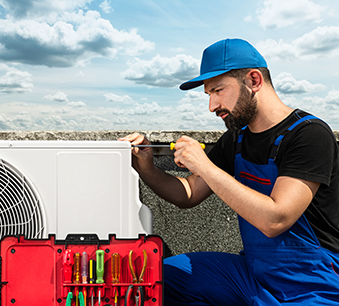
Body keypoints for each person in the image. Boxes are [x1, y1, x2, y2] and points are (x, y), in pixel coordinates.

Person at [120, 38, 339, 305]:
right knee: (158, 277)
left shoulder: (309, 135)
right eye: (208, 95)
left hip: (311, 282)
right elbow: (189, 193)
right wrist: (147, 168)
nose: (212, 106)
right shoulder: (236, 139)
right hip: (253, 273)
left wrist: (203, 164)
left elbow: (276, 219)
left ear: (254, 80)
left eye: (218, 91)